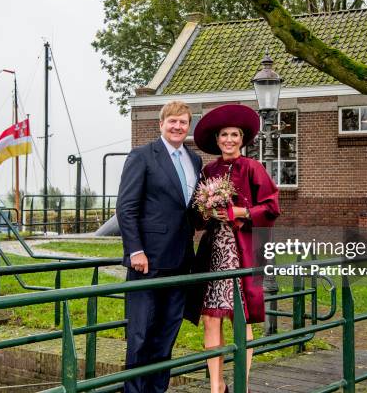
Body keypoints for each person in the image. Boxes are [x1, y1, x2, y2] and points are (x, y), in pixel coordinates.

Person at [186, 104, 280, 393]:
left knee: (242, 318)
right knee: (211, 319)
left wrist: (239, 212)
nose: (229, 139)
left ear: (242, 139)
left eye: (234, 135)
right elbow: (195, 215)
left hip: (242, 252)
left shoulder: (253, 168)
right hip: (214, 254)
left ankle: (242, 383)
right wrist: (206, 211)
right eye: (224, 135)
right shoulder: (208, 171)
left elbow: (272, 207)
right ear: (217, 140)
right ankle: (216, 386)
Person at [117, 100, 202, 393]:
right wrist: (135, 250)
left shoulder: (195, 161)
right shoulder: (142, 156)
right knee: (140, 334)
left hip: (181, 260)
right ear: (161, 124)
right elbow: (126, 208)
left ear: (188, 126)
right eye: (173, 122)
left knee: (168, 333)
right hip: (148, 261)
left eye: (183, 123)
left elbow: (188, 209)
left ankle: (157, 390)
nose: (178, 127)